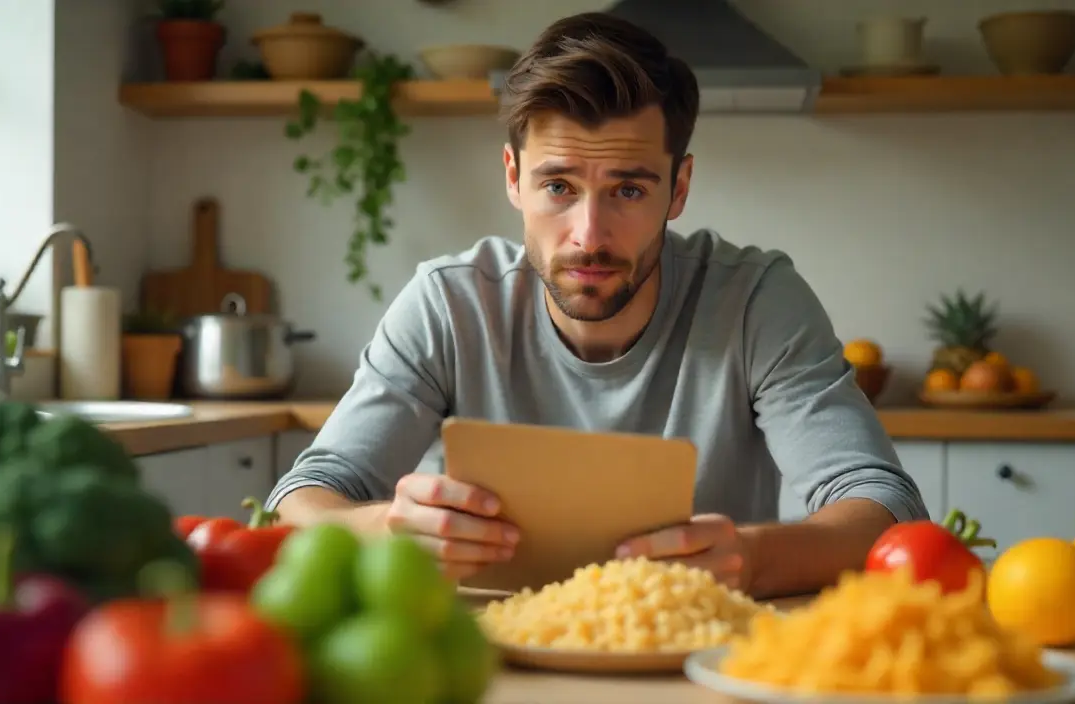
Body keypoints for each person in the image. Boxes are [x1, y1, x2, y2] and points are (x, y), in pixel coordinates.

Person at [267, 11, 927, 598]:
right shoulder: (448, 304)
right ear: (512, 178)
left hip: (690, 665)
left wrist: (752, 558)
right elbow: (299, 501)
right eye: (558, 185)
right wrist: (381, 528)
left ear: (679, 188)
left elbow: (884, 504)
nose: (588, 234)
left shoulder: (756, 300)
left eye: (629, 191)